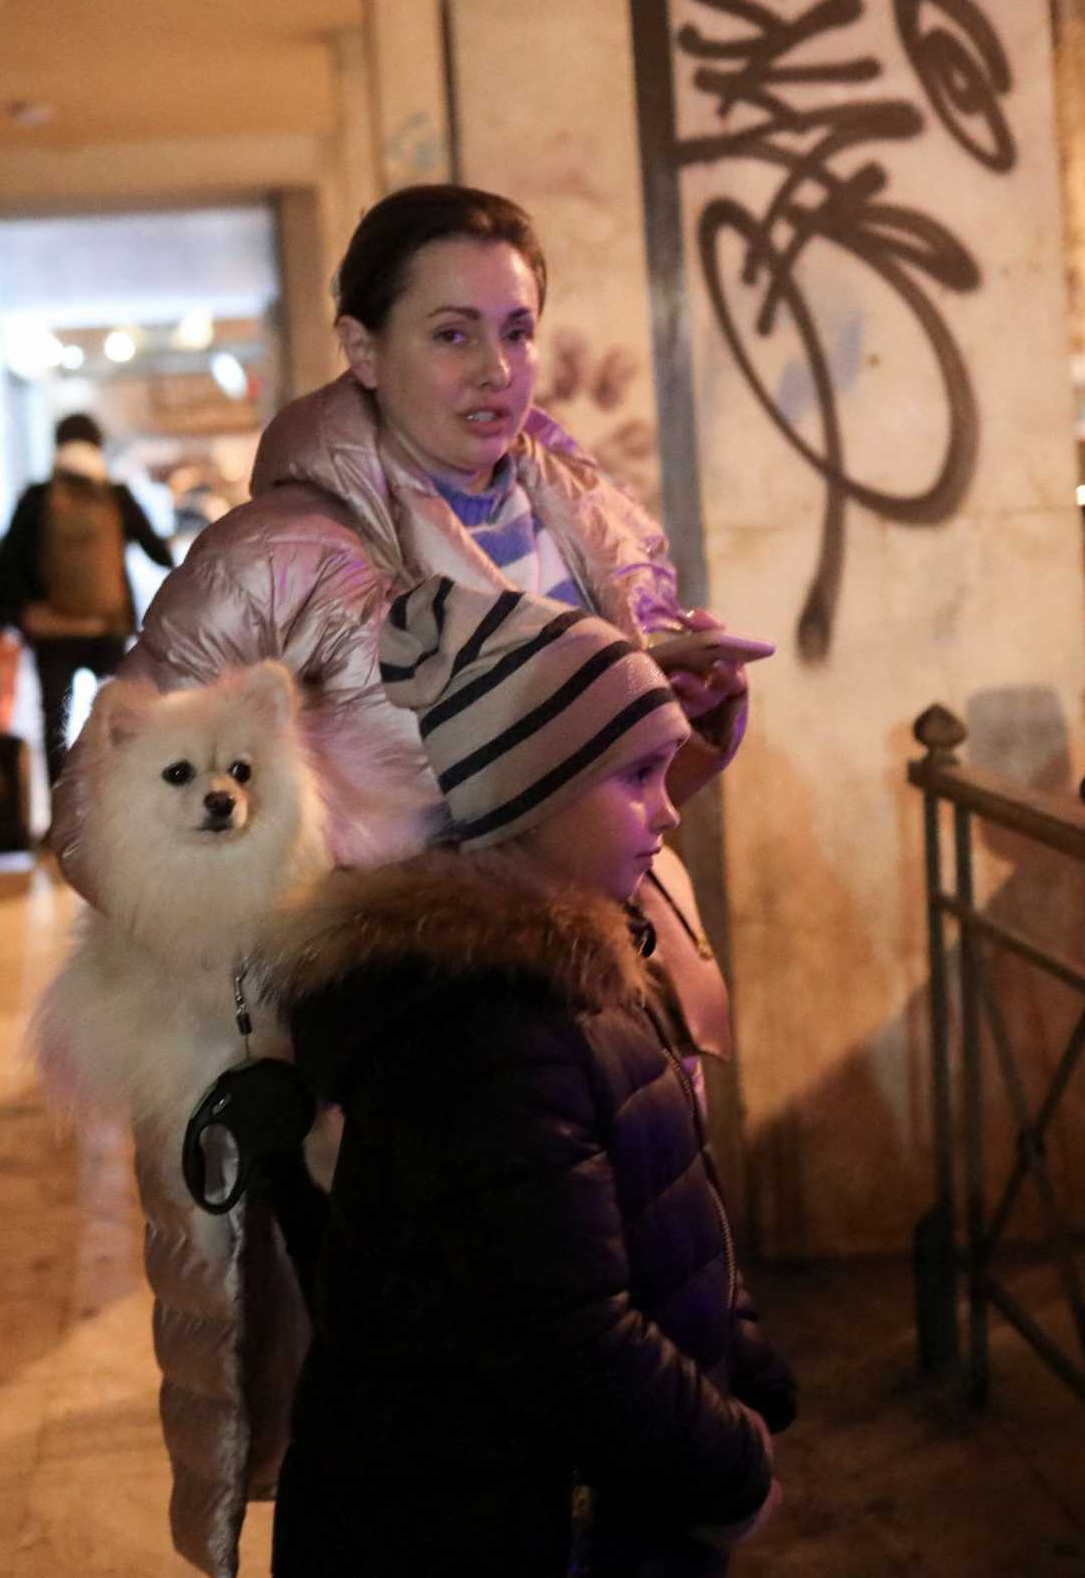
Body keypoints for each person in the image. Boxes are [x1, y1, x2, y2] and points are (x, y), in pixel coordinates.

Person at [47, 183, 758, 1577]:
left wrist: (691, 723)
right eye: (451, 333)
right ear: (362, 349)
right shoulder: (270, 560)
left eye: (517, 330)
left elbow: (613, 793)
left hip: (604, 1026)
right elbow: (98, 808)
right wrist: (293, 935)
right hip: (397, 1079)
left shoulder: (593, 524)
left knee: (616, 1394)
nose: (497, 370)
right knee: (455, 1439)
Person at [263, 580, 793, 1577]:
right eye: (638, 774)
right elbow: (568, 1338)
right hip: (502, 1527)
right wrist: (731, 1462)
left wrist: (748, 1366)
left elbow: (669, 1204)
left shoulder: (584, 964)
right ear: (530, 793)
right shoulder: (485, 1030)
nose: (668, 808)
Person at [0, 413, 177, 786]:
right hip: (107, 627)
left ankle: (61, 799)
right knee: (118, 717)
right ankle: (117, 792)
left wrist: (3, 616)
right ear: (97, 446)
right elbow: (158, 552)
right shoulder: (115, 495)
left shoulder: (37, 497)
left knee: (54, 720)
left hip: (51, 630)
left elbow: (10, 559)